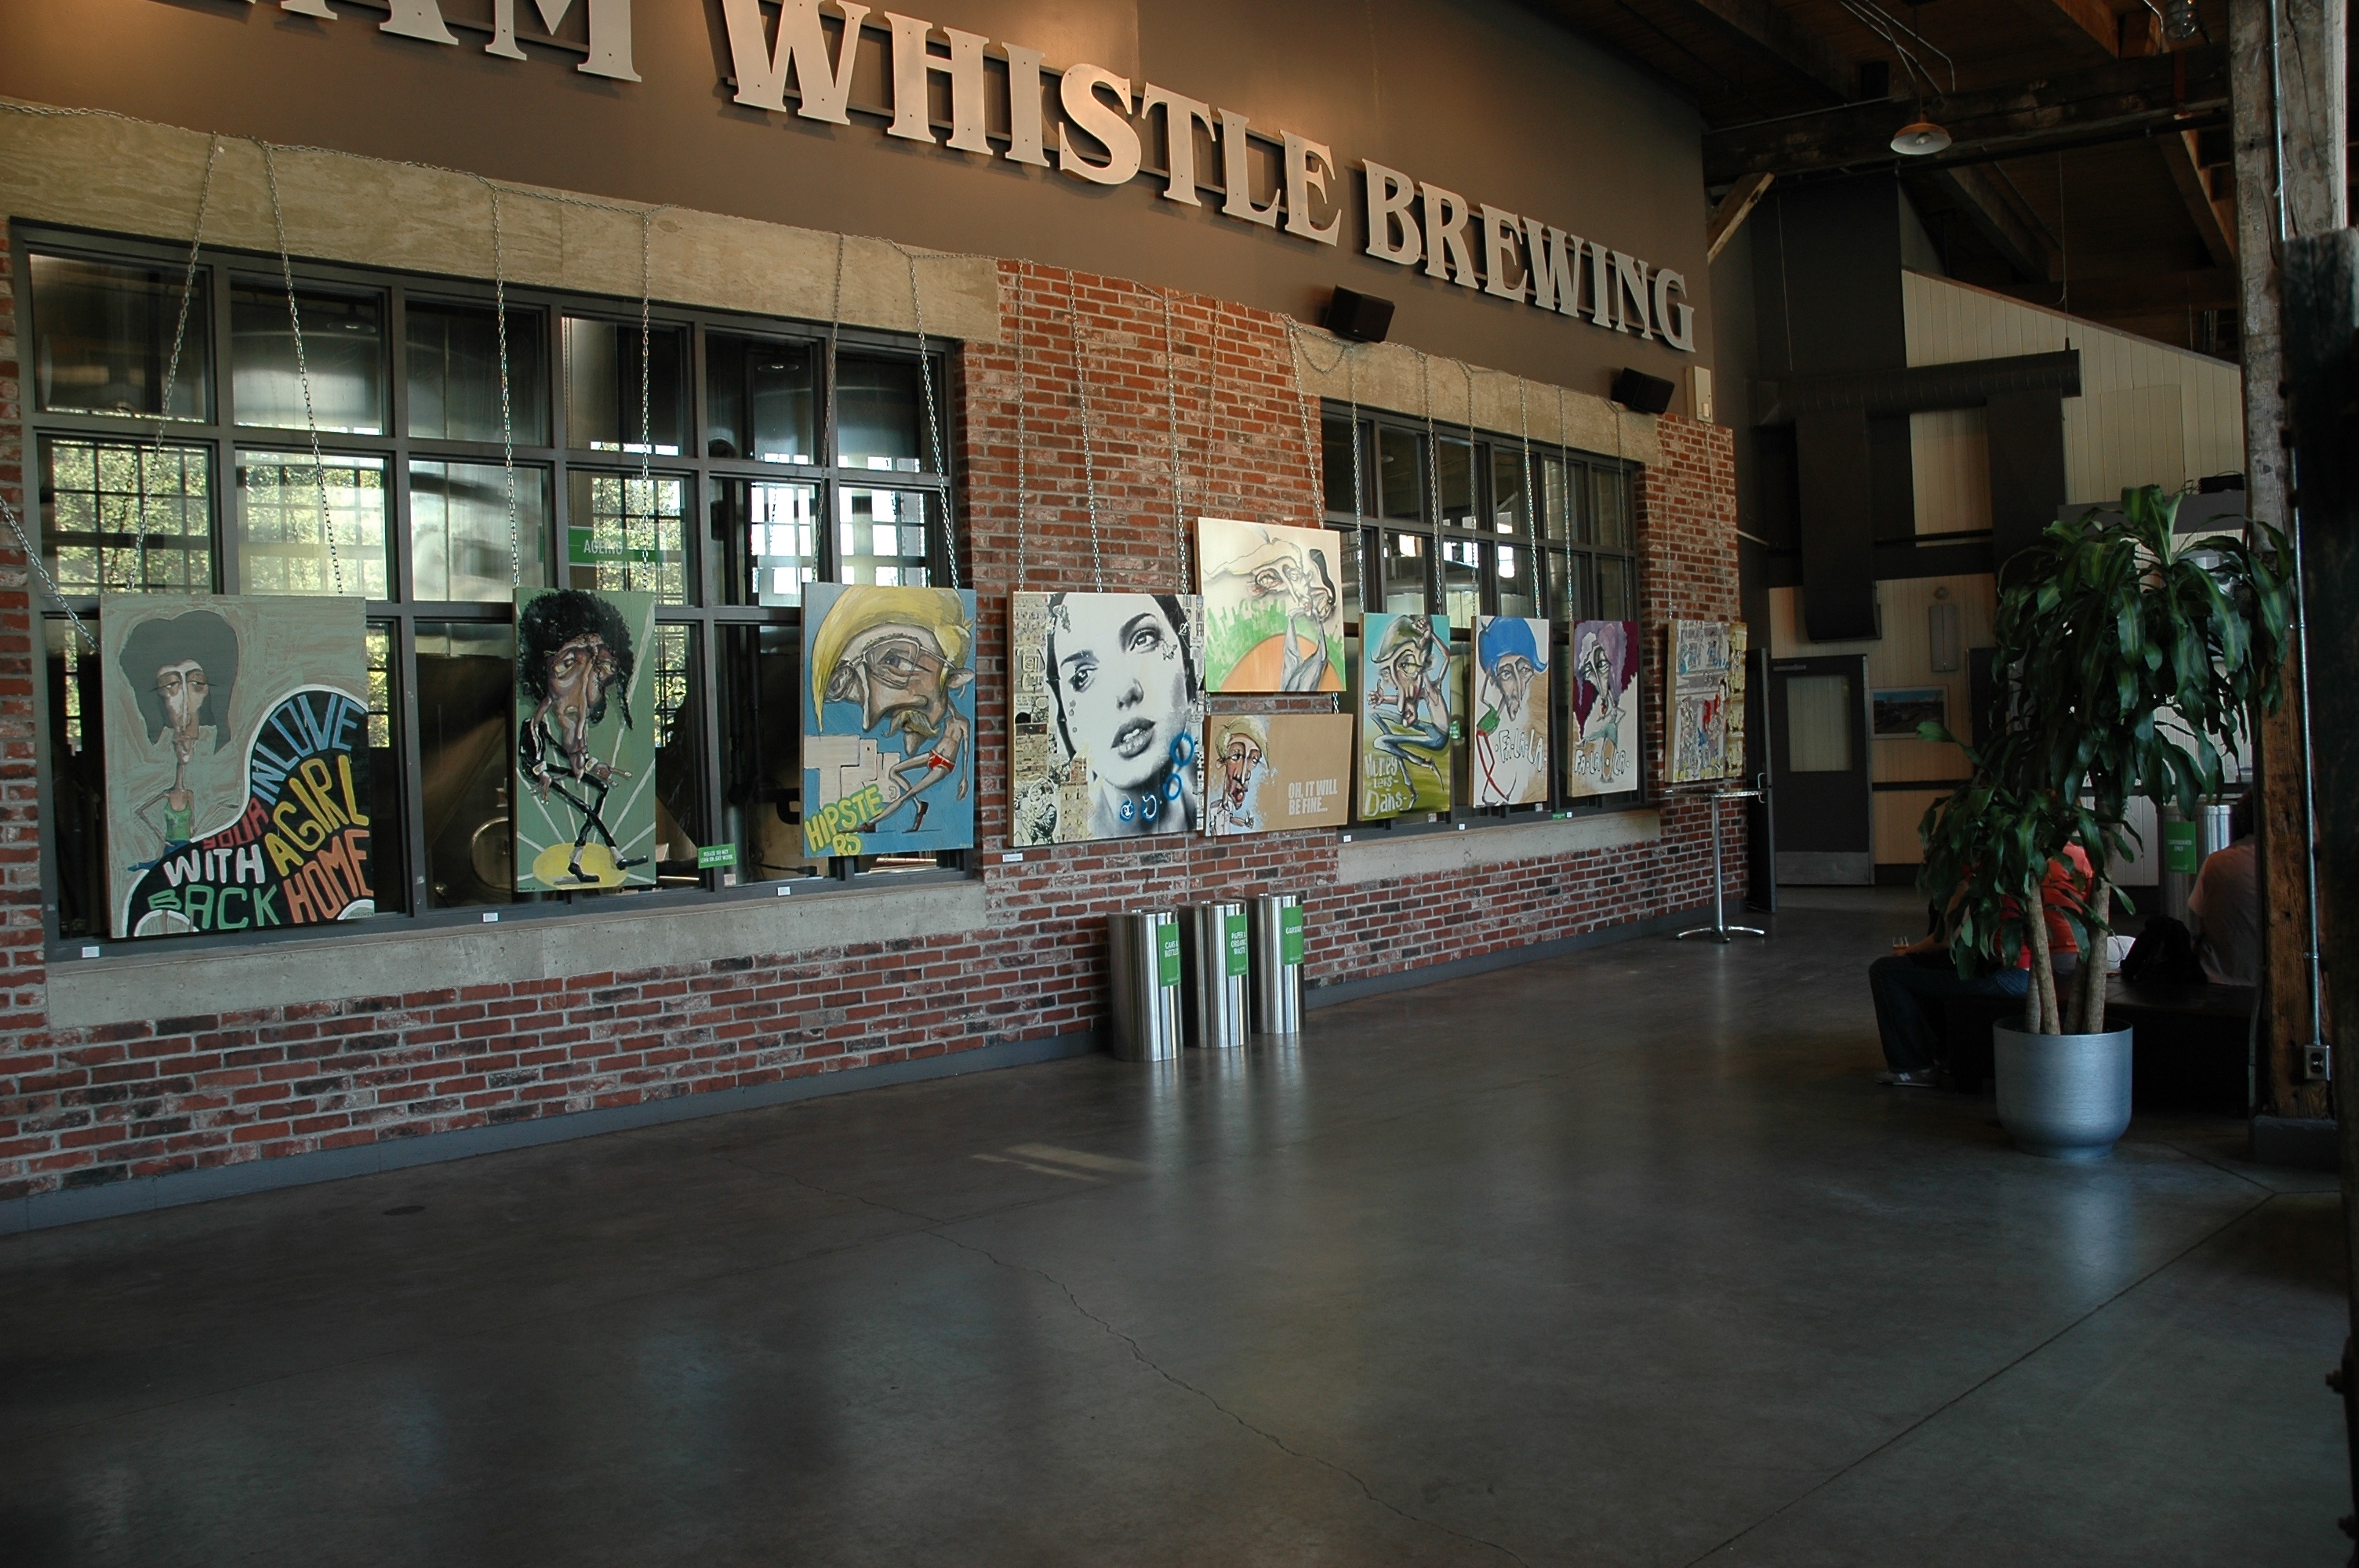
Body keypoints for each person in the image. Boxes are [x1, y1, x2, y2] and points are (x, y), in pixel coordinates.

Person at [1869, 844, 2091, 1087]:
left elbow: (1946, 938)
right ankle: (1946, 1056)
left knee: (1887, 971)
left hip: (2011, 975)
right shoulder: (2071, 856)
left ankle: (1914, 1067)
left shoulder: (1981, 868)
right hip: (2056, 965)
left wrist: (1909, 950)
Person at [809, 586, 975, 836]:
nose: (870, 720)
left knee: (905, 794)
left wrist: (964, 779)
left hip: (944, 764)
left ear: (953, 678)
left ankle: (871, 823)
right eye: (850, 690)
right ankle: (918, 806)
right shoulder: (949, 716)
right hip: (935, 756)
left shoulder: (962, 723)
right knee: (894, 772)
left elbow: (967, 751)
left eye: (896, 662)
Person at [517, 589, 647, 885]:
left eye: (600, 669)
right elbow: (533, 755)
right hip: (542, 771)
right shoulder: (536, 723)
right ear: (541, 673)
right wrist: (542, 773)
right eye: (567, 665)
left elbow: (573, 753)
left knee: (600, 790)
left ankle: (578, 859)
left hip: (555, 768)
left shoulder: (575, 721)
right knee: (587, 807)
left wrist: (594, 765)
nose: (586, 691)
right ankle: (611, 855)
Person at [1045, 591, 1201, 837]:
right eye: (1082, 676)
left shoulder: (1207, 796)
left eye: (1143, 639)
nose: (1124, 690)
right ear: (1064, 719)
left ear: (1188, 665)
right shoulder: (1059, 831)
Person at [121, 608, 239, 854]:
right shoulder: (141, 768)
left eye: (197, 684)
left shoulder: (228, 764)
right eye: (171, 686)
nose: (185, 704)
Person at [2187, 796, 2259, 986]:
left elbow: (2202, 921)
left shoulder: (2214, 862)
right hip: (2274, 978)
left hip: (2217, 976)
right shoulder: (2292, 864)